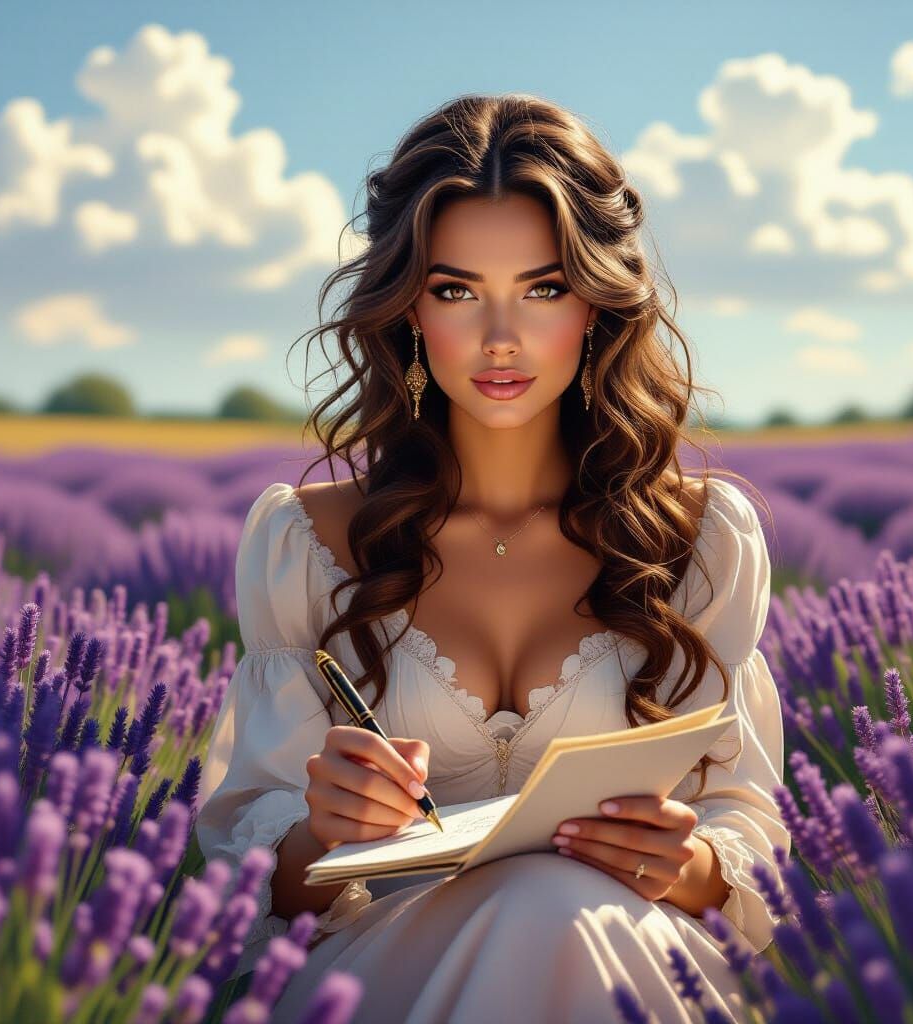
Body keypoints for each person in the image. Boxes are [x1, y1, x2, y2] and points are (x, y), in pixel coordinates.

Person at [196, 93, 790, 1024]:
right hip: (389, 971)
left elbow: (749, 825)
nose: (501, 336)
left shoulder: (703, 542)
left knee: (558, 913)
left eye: (543, 289)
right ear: (408, 310)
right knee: (539, 911)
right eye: (456, 289)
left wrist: (693, 863)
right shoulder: (304, 545)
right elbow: (245, 887)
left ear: (597, 302)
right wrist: (320, 833)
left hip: (635, 956)